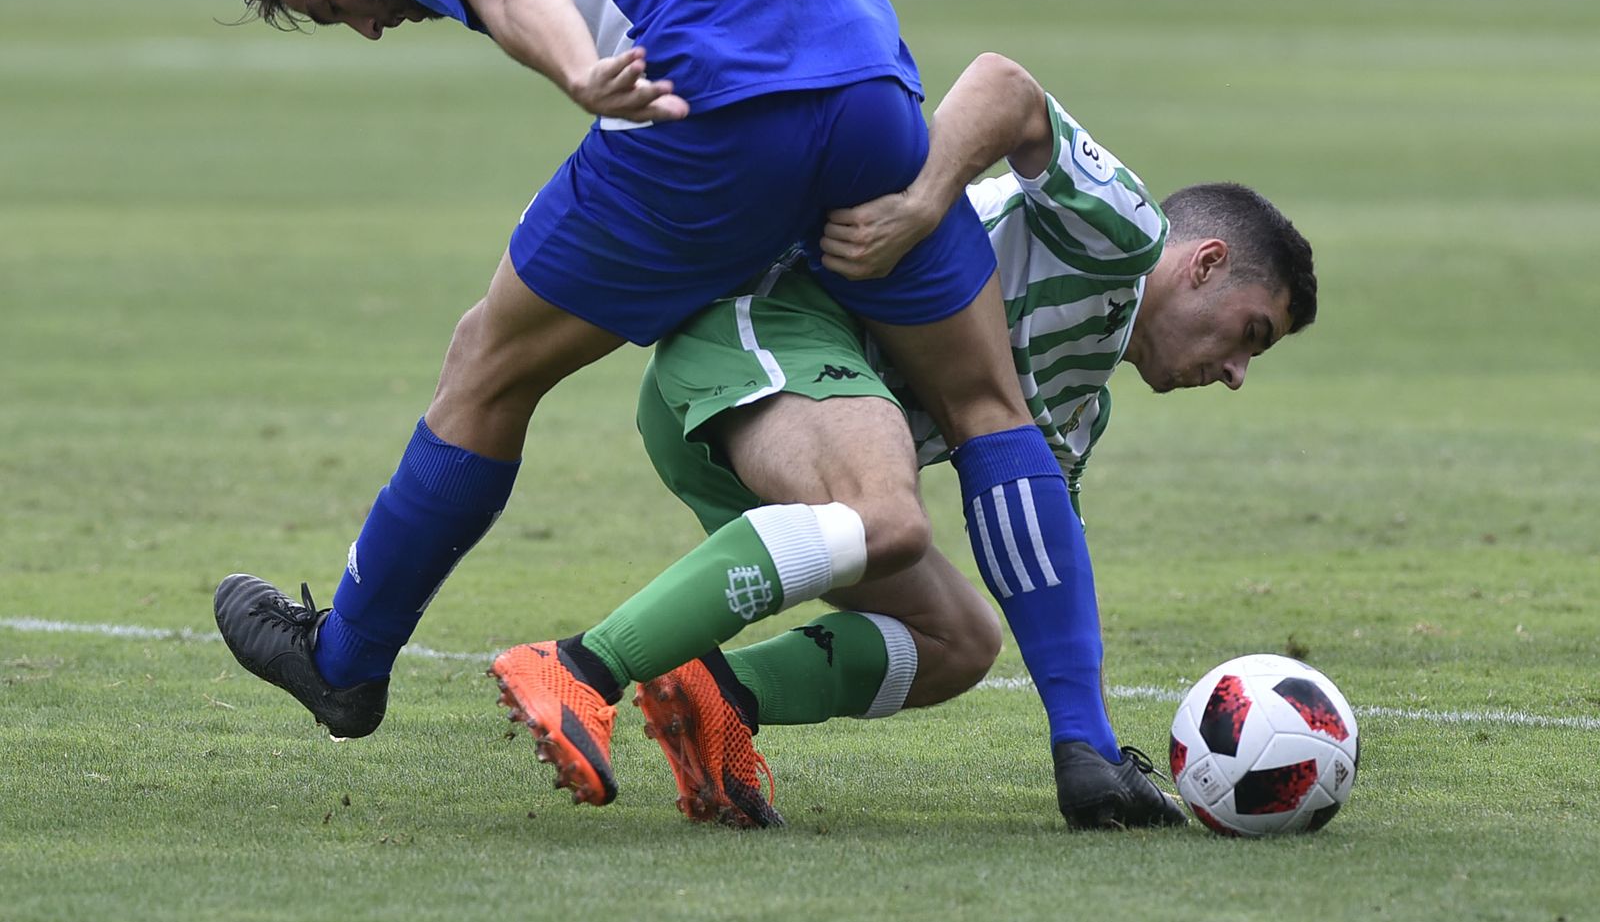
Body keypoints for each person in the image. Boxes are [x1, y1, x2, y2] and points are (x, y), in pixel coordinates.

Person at [208, 0, 1122, 816]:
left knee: (488, 365)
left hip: (709, 112)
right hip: (868, 92)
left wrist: (578, 71)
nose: (372, 25)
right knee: (990, 408)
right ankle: (1086, 749)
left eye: (336, 5)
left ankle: (345, 659)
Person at [494, 53, 1319, 829]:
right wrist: (926, 196)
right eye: (1252, 333)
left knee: (961, 641)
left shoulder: (1077, 403)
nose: (1239, 371)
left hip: (795, 416)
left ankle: (720, 693)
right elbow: (1005, 85)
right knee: (887, 513)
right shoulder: (1123, 234)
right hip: (770, 329)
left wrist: (1088, 747)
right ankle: (579, 666)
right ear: (1205, 264)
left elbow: (1038, 564)